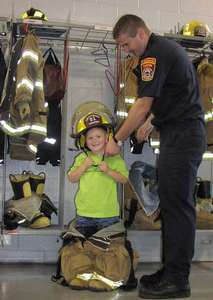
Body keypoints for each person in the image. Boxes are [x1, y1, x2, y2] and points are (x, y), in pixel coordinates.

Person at [105, 14, 206, 299]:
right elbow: (176, 95)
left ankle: (177, 280)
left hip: (182, 138)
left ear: (139, 33)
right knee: (172, 208)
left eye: (126, 44)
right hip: (180, 134)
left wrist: (116, 138)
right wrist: (155, 121)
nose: (127, 51)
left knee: (178, 209)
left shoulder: (154, 55)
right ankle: (170, 271)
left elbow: (141, 104)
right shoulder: (165, 50)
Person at [65, 111, 138, 291]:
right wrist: (83, 166)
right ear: (84, 141)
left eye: (98, 136)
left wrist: (108, 171)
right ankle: (83, 275)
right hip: (84, 215)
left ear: (108, 138)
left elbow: (123, 179)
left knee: (108, 248)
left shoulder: (114, 158)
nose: (94, 140)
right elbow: (72, 178)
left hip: (108, 216)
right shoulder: (82, 158)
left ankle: (108, 276)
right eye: (90, 137)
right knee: (84, 248)